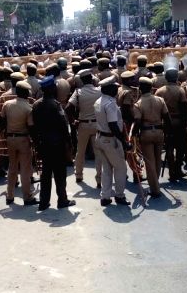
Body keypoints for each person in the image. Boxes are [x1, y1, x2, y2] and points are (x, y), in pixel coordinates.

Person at [32, 76, 76, 211]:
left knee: (45, 173)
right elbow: (63, 126)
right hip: (57, 144)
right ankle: (62, 200)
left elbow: (34, 126)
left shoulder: (36, 104)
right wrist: (69, 143)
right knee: (60, 173)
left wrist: (36, 142)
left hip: (43, 143)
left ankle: (43, 202)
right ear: (52, 89)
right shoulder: (56, 105)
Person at [0, 81, 38, 206]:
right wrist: (35, 142)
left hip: (10, 139)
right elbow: (31, 126)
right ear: (27, 93)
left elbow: (2, 121)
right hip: (23, 139)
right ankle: (27, 197)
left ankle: (9, 195)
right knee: (25, 169)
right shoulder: (28, 108)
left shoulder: (7, 104)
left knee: (12, 167)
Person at [133, 77, 172, 198]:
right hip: (159, 132)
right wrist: (168, 132)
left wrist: (134, 134)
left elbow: (138, 122)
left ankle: (155, 190)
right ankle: (155, 183)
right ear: (151, 88)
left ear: (140, 89)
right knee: (157, 159)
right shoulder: (160, 100)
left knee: (149, 162)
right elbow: (167, 118)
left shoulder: (138, 104)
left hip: (146, 133)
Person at [94, 76, 130, 206]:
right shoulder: (110, 104)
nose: (117, 89)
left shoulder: (98, 101)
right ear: (108, 89)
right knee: (121, 168)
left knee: (107, 169)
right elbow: (113, 125)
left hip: (100, 137)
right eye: (114, 87)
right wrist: (124, 142)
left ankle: (105, 196)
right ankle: (119, 196)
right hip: (110, 139)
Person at [66, 68, 102, 186]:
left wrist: (73, 121)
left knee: (80, 152)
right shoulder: (99, 90)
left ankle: (79, 175)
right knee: (98, 153)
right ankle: (99, 179)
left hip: (83, 124)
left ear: (81, 80)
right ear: (91, 79)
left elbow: (68, 108)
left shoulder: (78, 92)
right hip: (97, 124)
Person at [154, 67, 187, 181]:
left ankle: (172, 171)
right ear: (176, 77)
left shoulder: (159, 91)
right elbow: (184, 108)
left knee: (169, 146)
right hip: (178, 121)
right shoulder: (180, 90)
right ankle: (178, 169)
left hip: (165, 122)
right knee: (180, 147)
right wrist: (186, 123)